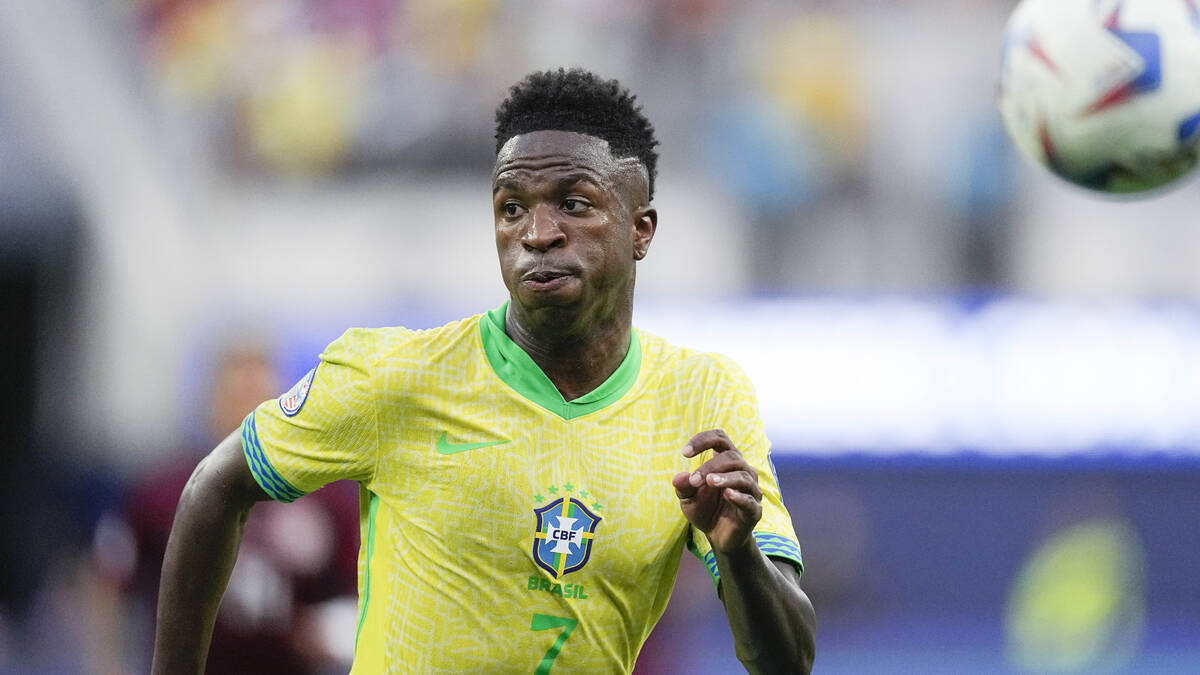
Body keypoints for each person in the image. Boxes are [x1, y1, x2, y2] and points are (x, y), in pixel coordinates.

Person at [153, 68, 816, 674]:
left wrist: (737, 551)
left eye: (574, 204)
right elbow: (213, 487)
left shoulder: (700, 398)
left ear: (641, 230)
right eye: (511, 207)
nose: (537, 232)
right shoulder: (398, 375)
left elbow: (787, 661)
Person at [89, 342, 359, 674]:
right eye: (235, 397)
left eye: (257, 397)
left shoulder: (325, 497)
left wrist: (331, 630)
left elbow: (364, 590)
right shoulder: (163, 491)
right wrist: (108, 665)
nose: (245, 411)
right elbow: (108, 582)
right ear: (211, 401)